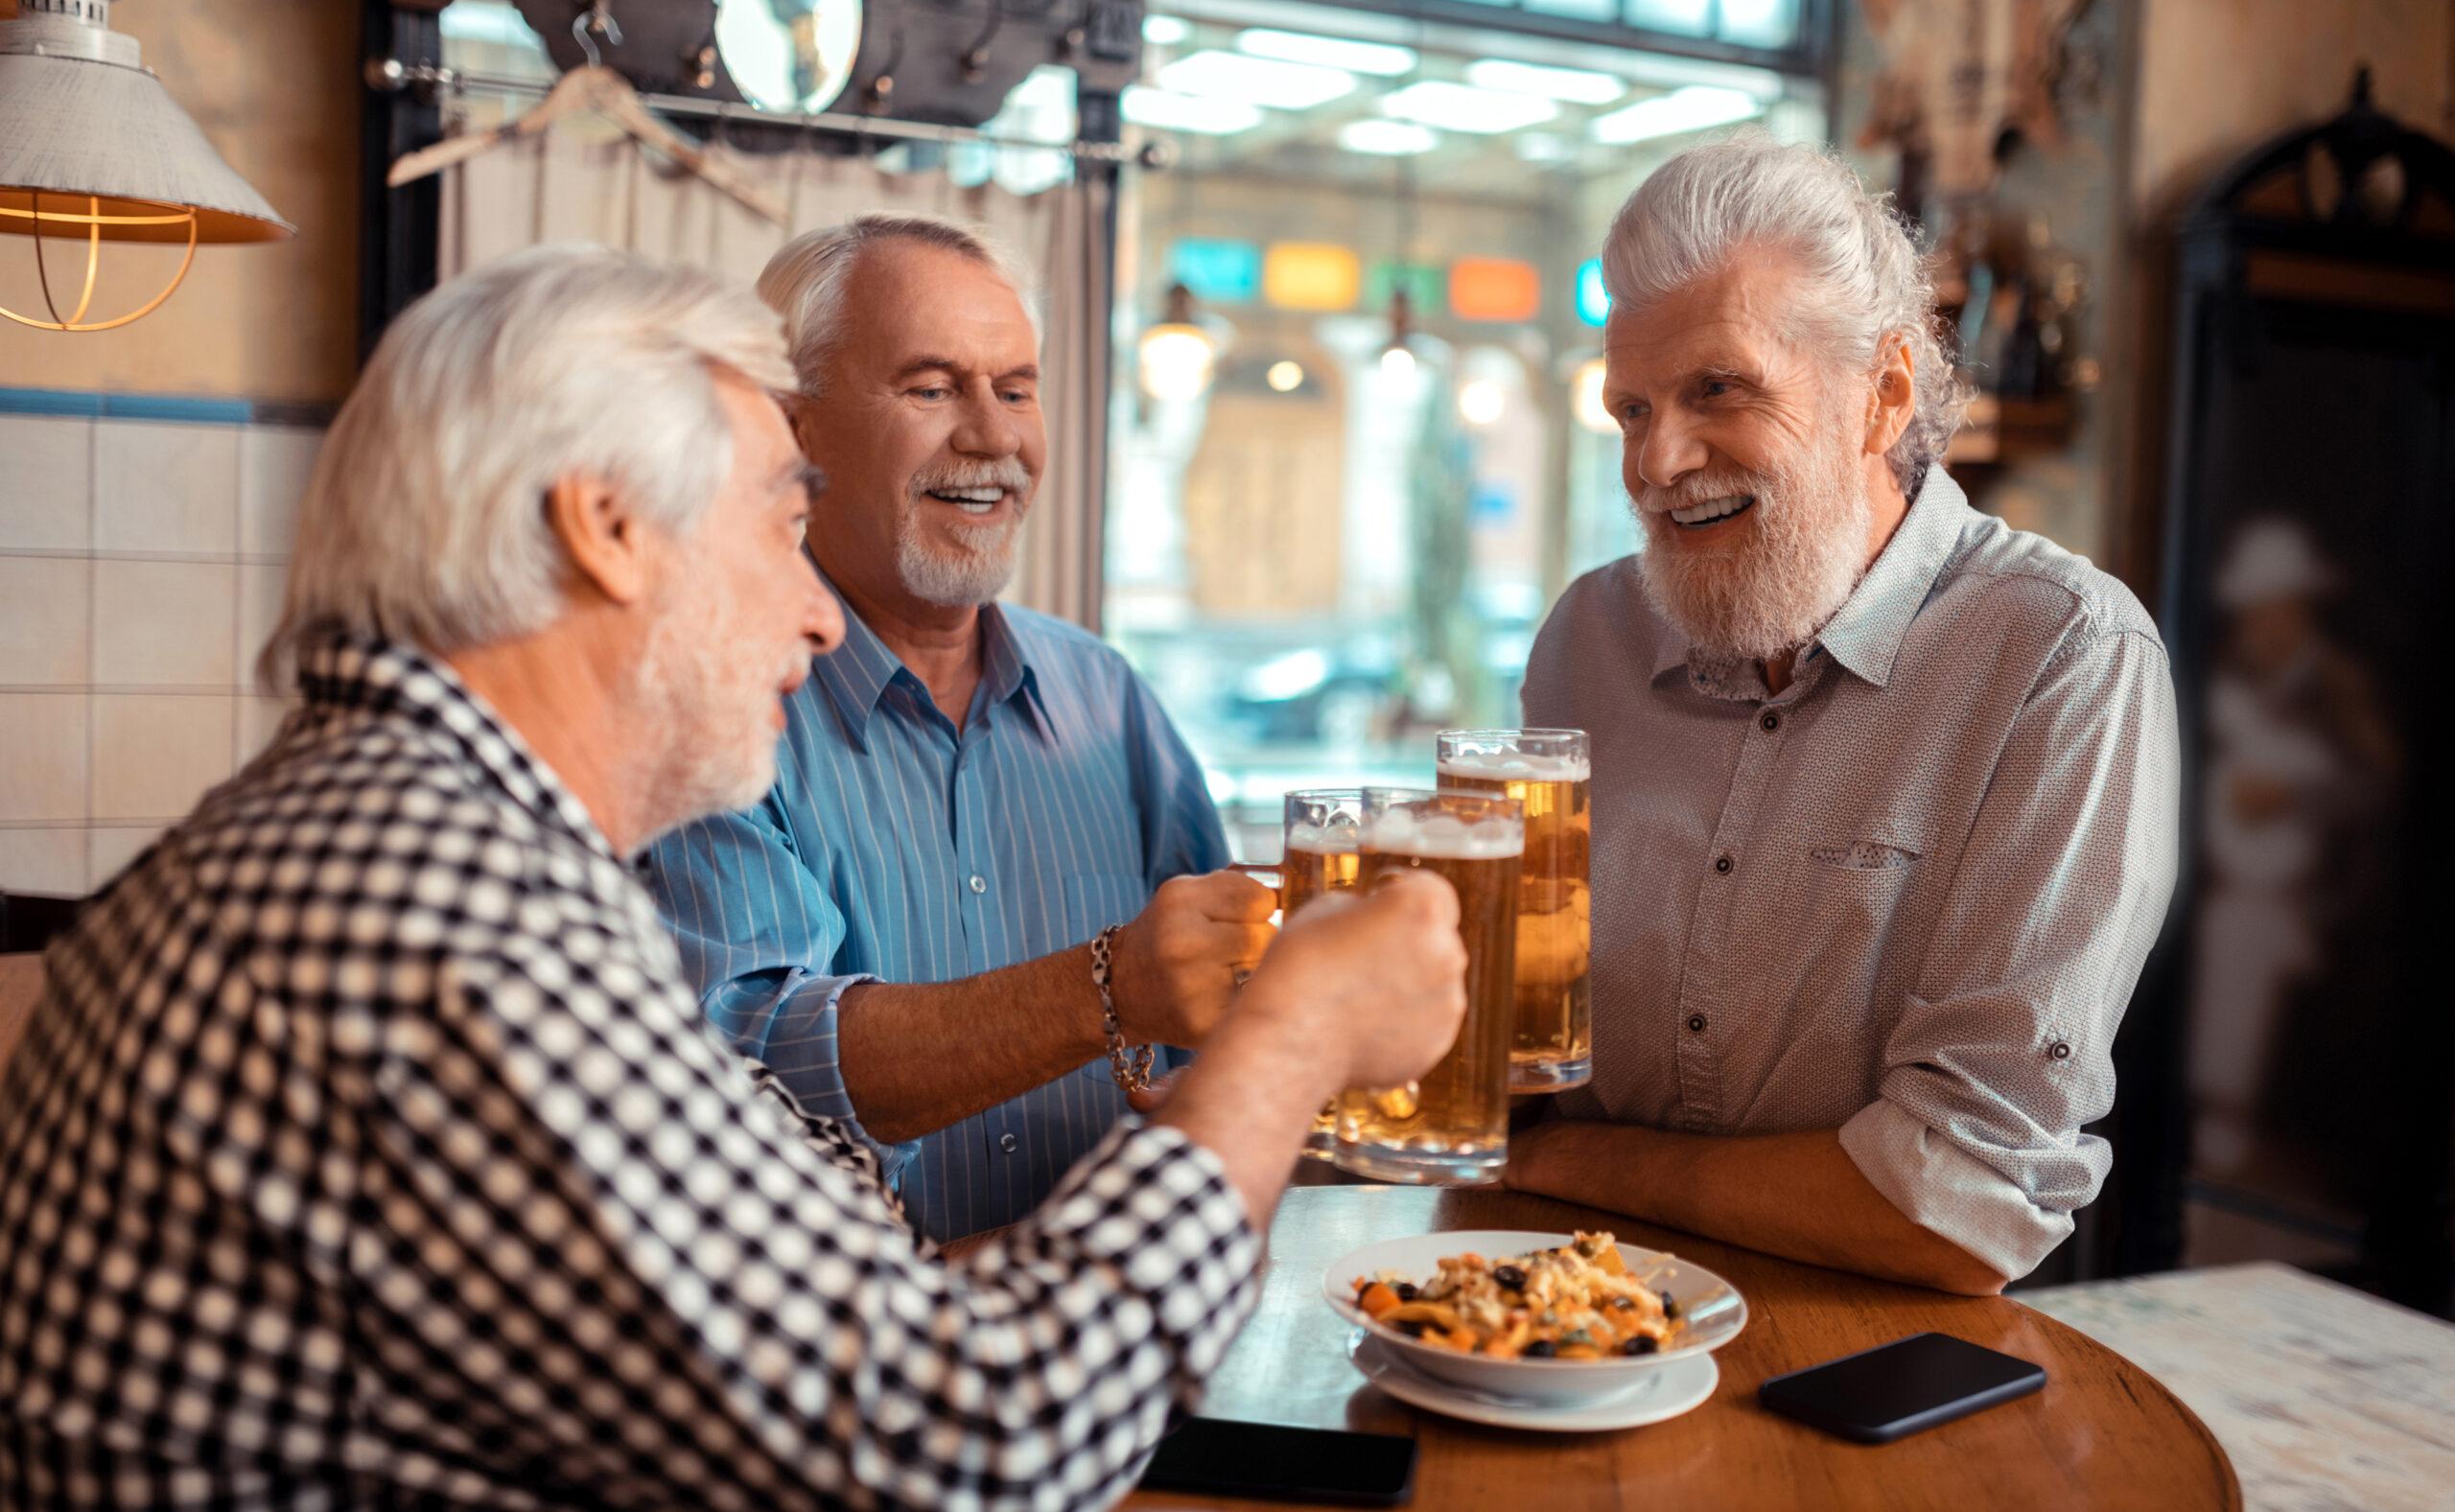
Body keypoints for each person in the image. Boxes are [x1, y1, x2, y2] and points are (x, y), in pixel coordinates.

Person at [0, 246, 1468, 1507]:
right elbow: (977, 1448)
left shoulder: (407, 838)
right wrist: (1295, 1037)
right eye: (780, 518)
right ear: (609, 526)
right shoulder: (425, 909)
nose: (817, 616)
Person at [1513, 137, 2180, 1293]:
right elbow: (1523, 1057)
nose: (1656, 461)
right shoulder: (1588, 639)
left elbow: (1957, 1205)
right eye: (1629, 408)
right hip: (1562, 1332)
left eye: (1717, 389)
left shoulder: (2061, 651)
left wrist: (1574, 1164)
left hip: (1872, 1372)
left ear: (1881, 397)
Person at [643, 215, 1274, 1244]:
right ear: (792, 429)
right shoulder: (714, 704)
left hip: (1138, 1354)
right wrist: (1110, 988)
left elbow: (1225, 1016)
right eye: (931, 388)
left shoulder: (1104, 697)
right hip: (861, 1373)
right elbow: (748, 1055)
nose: (992, 438)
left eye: (1015, 389)